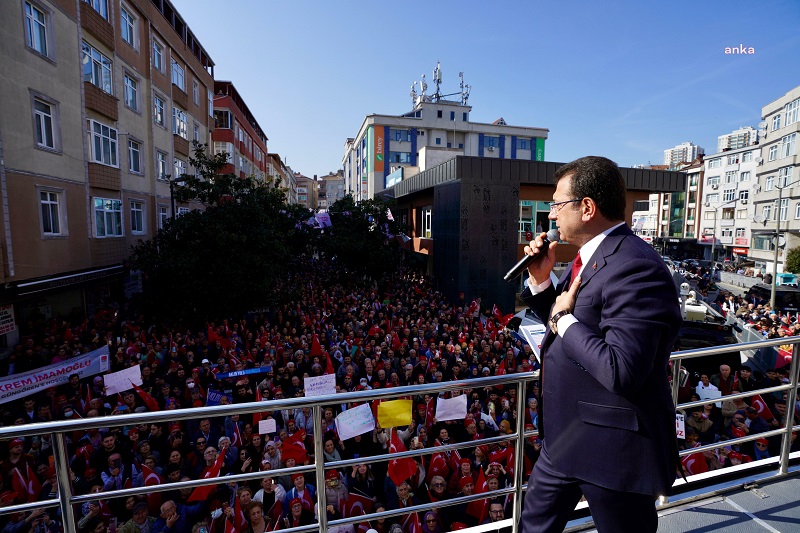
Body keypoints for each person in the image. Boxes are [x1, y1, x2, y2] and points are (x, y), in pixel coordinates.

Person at [518, 156, 682, 533]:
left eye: (557, 205)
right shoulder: (587, 259)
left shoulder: (636, 266)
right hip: (562, 440)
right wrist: (543, 284)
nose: (551, 215)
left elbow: (621, 369)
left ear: (587, 207)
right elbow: (572, 330)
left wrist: (563, 319)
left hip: (613, 450)